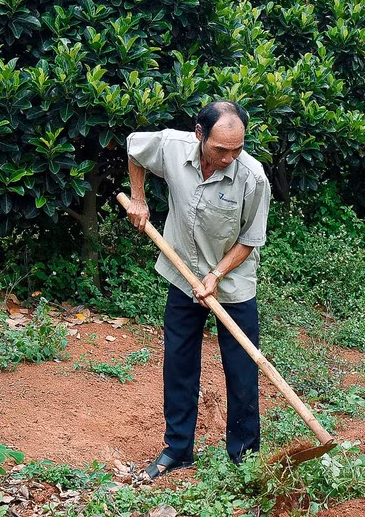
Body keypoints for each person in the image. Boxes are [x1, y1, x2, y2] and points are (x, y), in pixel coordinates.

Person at [125, 100, 271, 481]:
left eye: (237, 149)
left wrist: (217, 275)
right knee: (178, 364)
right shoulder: (172, 147)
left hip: (231, 283)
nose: (229, 157)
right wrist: (138, 198)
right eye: (220, 149)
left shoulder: (253, 178)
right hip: (182, 272)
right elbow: (133, 148)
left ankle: (244, 460)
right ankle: (178, 449)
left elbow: (250, 240)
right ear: (199, 134)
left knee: (241, 372)